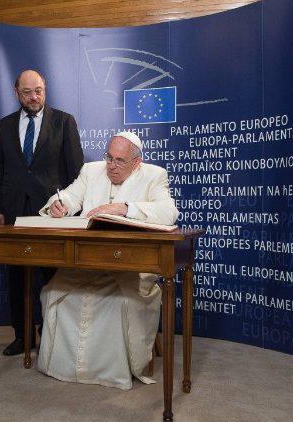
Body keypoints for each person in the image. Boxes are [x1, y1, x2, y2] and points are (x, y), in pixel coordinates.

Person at [36, 132, 179, 389]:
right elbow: (70, 196)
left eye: (120, 161)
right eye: (109, 158)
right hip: (87, 263)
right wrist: (60, 204)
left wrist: (126, 208)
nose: (111, 166)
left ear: (136, 162)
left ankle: (110, 372)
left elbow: (169, 213)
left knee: (118, 302)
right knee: (56, 291)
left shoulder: (154, 175)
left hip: (130, 269)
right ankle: (64, 367)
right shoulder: (92, 171)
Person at [0, 69, 84, 356]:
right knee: (16, 278)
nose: (34, 97)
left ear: (45, 89)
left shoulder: (64, 122)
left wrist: (69, 208)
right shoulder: (4, 126)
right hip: (14, 212)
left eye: (39, 90)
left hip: (52, 214)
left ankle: (53, 335)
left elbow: (77, 174)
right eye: (28, 92)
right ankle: (23, 335)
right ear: (17, 92)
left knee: (53, 277)